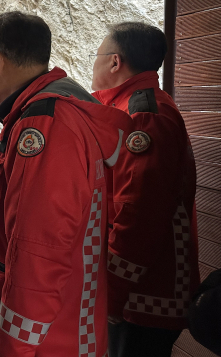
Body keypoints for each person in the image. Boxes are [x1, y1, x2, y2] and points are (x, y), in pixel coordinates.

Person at [0, 11, 131, 357]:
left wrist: (14, 349)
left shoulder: (46, 125)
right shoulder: (42, 113)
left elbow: (38, 251)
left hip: (47, 342)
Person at [91, 22, 199, 357]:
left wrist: (112, 292)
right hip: (137, 294)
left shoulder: (143, 116)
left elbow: (138, 214)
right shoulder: (130, 108)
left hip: (143, 297)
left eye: (97, 55)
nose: (93, 64)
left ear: (115, 62)